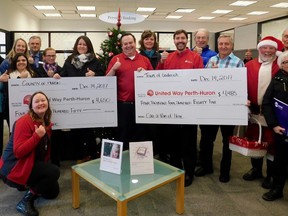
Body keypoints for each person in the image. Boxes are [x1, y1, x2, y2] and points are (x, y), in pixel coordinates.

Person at [0, 91, 60, 216]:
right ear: (31, 106)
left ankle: (28, 183)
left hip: (30, 163)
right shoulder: (23, 121)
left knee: (52, 192)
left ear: (48, 103)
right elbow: (18, 152)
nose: (40, 103)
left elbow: (44, 150)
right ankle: (25, 201)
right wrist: (36, 136)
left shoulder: (45, 122)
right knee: (54, 172)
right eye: (36, 101)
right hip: (12, 167)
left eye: (43, 100)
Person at [156, 29, 204, 187]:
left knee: (189, 142)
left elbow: (201, 80)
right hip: (172, 109)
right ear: (174, 41)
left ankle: (189, 172)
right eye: (177, 38)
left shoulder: (195, 57)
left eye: (183, 38)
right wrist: (161, 62)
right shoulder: (168, 58)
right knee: (174, 142)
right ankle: (176, 171)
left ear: (187, 40)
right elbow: (158, 79)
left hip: (189, 109)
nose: (180, 40)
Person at [195, 34, 244, 183]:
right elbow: (206, 84)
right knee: (207, 139)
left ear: (232, 46)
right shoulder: (212, 60)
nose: (223, 46)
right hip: (212, 107)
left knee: (226, 142)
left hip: (229, 109)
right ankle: (206, 166)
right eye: (221, 44)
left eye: (226, 44)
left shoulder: (238, 63)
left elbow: (240, 87)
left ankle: (225, 171)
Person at [53, 35, 104, 162]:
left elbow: (104, 75)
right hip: (73, 101)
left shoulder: (95, 61)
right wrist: (58, 76)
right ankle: (77, 155)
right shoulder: (70, 60)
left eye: (84, 44)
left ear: (89, 46)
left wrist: (95, 74)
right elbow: (64, 74)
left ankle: (92, 155)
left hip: (90, 102)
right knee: (75, 130)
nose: (81, 46)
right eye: (79, 44)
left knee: (89, 130)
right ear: (76, 46)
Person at [243, 36, 284, 189]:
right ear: (258, 49)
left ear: (276, 50)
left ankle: (271, 175)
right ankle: (256, 169)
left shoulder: (280, 65)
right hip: (254, 111)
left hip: (274, 113)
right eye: (264, 48)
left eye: (271, 48)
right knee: (255, 142)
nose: (267, 51)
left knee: (272, 145)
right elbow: (243, 84)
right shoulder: (250, 65)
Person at [106, 33, 153, 150]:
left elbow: (153, 80)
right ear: (121, 46)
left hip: (142, 106)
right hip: (123, 106)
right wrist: (113, 69)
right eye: (125, 44)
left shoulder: (145, 60)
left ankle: (140, 165)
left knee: (141, 136)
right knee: (122, 136)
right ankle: (123, 165)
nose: (128, 46)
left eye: (130, 43)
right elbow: (106, 81)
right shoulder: (115, 59)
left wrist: (146, 74)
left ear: (135, 43)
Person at [261, 51, 288, 201]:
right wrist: (274, 125)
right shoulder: (276, 79)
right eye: (285, 62)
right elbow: (267, 103)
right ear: (281, 64)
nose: (287, 64)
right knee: (280, 161)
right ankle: (277, 189)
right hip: (281, 129)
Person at [35, 47, 63, 166]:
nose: (51, 58)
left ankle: (56, 161)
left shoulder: (61, 70)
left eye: (53, 56)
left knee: (56, 136)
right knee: (42, 136)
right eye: (49, 56)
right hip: (42, 108)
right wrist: (48, 78)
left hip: (58, 107)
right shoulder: (37, 70)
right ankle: (42, 162)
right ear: (44, 57)